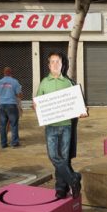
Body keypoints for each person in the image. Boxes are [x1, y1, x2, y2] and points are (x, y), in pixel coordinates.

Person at [35, 52, 85, 199]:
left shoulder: (68, 83)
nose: (55, 64)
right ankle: (74, 178)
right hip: (50, 126)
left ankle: (61, 189)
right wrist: (36, 105)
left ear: (62, 65)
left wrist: (81, 111)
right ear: (49, 65)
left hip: (66, 126)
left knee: (63, 158)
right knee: (53, 156)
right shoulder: (44, 83)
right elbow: (38, 103)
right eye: (53, 61)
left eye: (58, 61)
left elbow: (76, 104)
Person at [0, 67, 22, 148]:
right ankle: (14, 143)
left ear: (4, 73)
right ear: (11, 73)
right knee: (14, 124)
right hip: (12, 105)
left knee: (2, 125)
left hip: (2, 105)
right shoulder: (15, 82)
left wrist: (2, 96)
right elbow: (19, 95)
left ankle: (3, 144)